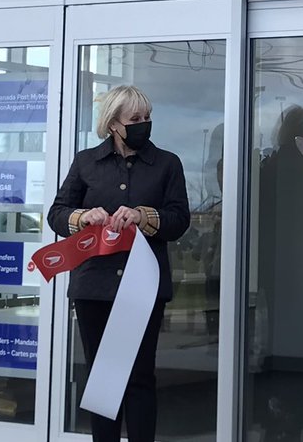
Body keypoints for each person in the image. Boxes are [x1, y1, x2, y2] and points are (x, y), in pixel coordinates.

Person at [48, 85, 190, 442]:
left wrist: (143, 216)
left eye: (147, 117)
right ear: (113, 124)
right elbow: (56, 214)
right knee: (103, 378)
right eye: (135, 119)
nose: (144, 124)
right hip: (94, 286)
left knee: (141, 377)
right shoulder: (85, 162)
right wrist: (84, 217)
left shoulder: (167, 164)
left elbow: (179, 220)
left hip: (143, 285)